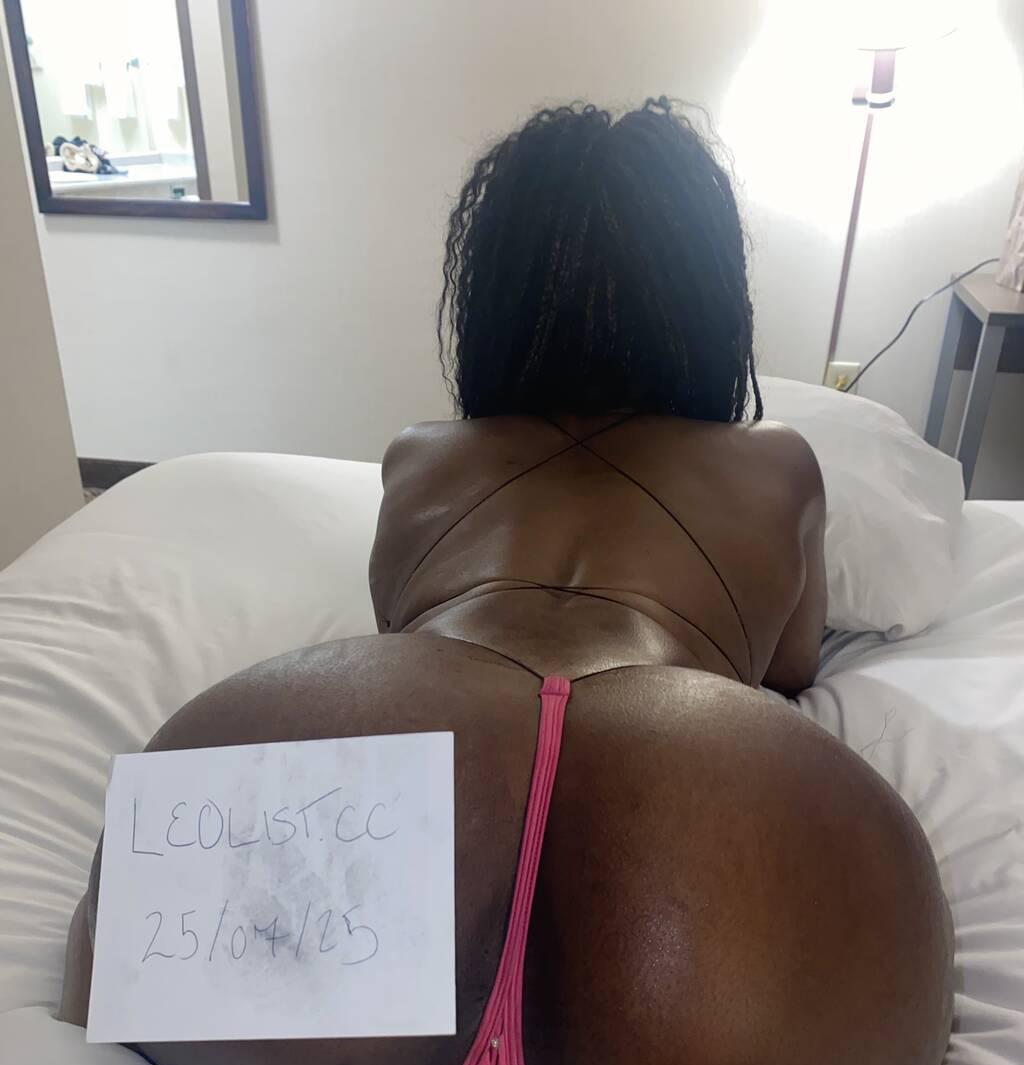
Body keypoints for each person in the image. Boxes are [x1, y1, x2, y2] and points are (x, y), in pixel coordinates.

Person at [60, 98, 953, 1065]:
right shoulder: (779, 462)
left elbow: (402, 630)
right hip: (702, 753)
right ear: (713, 301)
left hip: (383, 717)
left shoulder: (420, 454)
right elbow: (790, 664)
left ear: (489, 299)